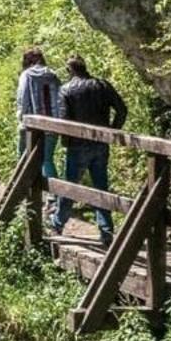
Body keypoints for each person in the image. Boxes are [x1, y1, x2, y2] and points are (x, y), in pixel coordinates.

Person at [54, 56, 128, 238]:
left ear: (69, 70)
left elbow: (64, 121)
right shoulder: (102, 85)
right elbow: (122, 109)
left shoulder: (65, 90)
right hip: (101, 143)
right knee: (101, 186)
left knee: (70, 187)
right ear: (85, 68)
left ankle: (57, 224)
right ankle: (106, 231)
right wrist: (112, 130)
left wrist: (66, 142)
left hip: (77, 145)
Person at [15, 46, 61, 180]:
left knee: (24, 157)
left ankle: (23, 192)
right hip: (52, 124)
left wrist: (21, 117)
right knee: (47, 160)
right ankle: (54, 198)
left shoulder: (27, 75)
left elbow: (22, 99)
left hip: (31, 126)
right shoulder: (53, 75)